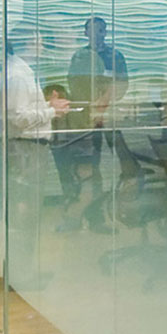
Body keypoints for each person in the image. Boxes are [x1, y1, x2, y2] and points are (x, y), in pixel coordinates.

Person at [56, 16, 128, 233]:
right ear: (85, 33)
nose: (96, 34)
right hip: (84, 121)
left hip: (107, 119)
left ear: (105, 32)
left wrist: (103, 105)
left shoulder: (115, 56)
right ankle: (76, 216)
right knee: (84, 168)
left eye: (100, 30)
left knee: (100, 169)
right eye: (91, 30)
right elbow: (73, 84)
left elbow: (121, 85)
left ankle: (96, 219)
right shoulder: (79, 57)